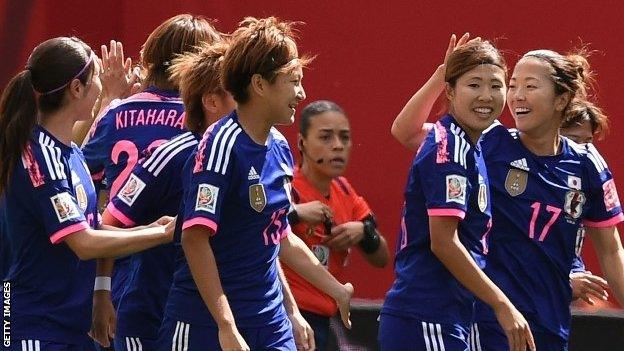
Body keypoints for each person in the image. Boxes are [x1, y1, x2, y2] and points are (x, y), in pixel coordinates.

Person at [390, 39, 624, 350]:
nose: (517, 96)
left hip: (551, 322)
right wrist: (444, 74)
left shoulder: (586, 164)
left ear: (560, 99)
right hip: (489, 320)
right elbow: (407, 132)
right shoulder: (488, 141)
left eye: (530, 86)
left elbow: (611, 252)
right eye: (513, 86)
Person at [157, 17, 353, 351]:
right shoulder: (220, 146)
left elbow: (278, 235)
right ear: (260, 84)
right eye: (293, 81)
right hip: (206, 325)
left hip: (269, 321)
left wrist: (332, 289)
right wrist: (226, 326)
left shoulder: (277, 145)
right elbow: (194, 238)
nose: (301, 93)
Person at [0, 36, 175, 351]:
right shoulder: (39, 157)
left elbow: (90, 223)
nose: (99, 86)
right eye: (95, 79)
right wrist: (162, 232)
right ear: (76, 90)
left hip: (71, 328)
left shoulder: (68, 152)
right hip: (33, 326)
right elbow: (84, 242)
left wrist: (101, 292)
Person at [380, 36, 534, 351]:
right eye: (474, 85)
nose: (486, 96)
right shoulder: (449, 148)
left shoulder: (470, 142)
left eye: (496, 85)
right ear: (450, 92)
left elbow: (405, 131)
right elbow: (444, 243)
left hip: (443, 318)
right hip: (427, 317)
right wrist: (502, 305)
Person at [81, 14, 222, 346]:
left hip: (119, 265)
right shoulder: (204, 121)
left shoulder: (115, 113)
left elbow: (83, 181)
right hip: (184, 264)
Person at [281, 100, 389, 350]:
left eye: (345, 137)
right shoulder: (287, 186)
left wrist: (364, 232)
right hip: (290, 313)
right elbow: (259, 228)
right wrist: (295, 214)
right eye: (326, 137)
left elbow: (381, 258)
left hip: (327, 315)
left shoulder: (344, 190)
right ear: (301, 143)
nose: (338, 146)